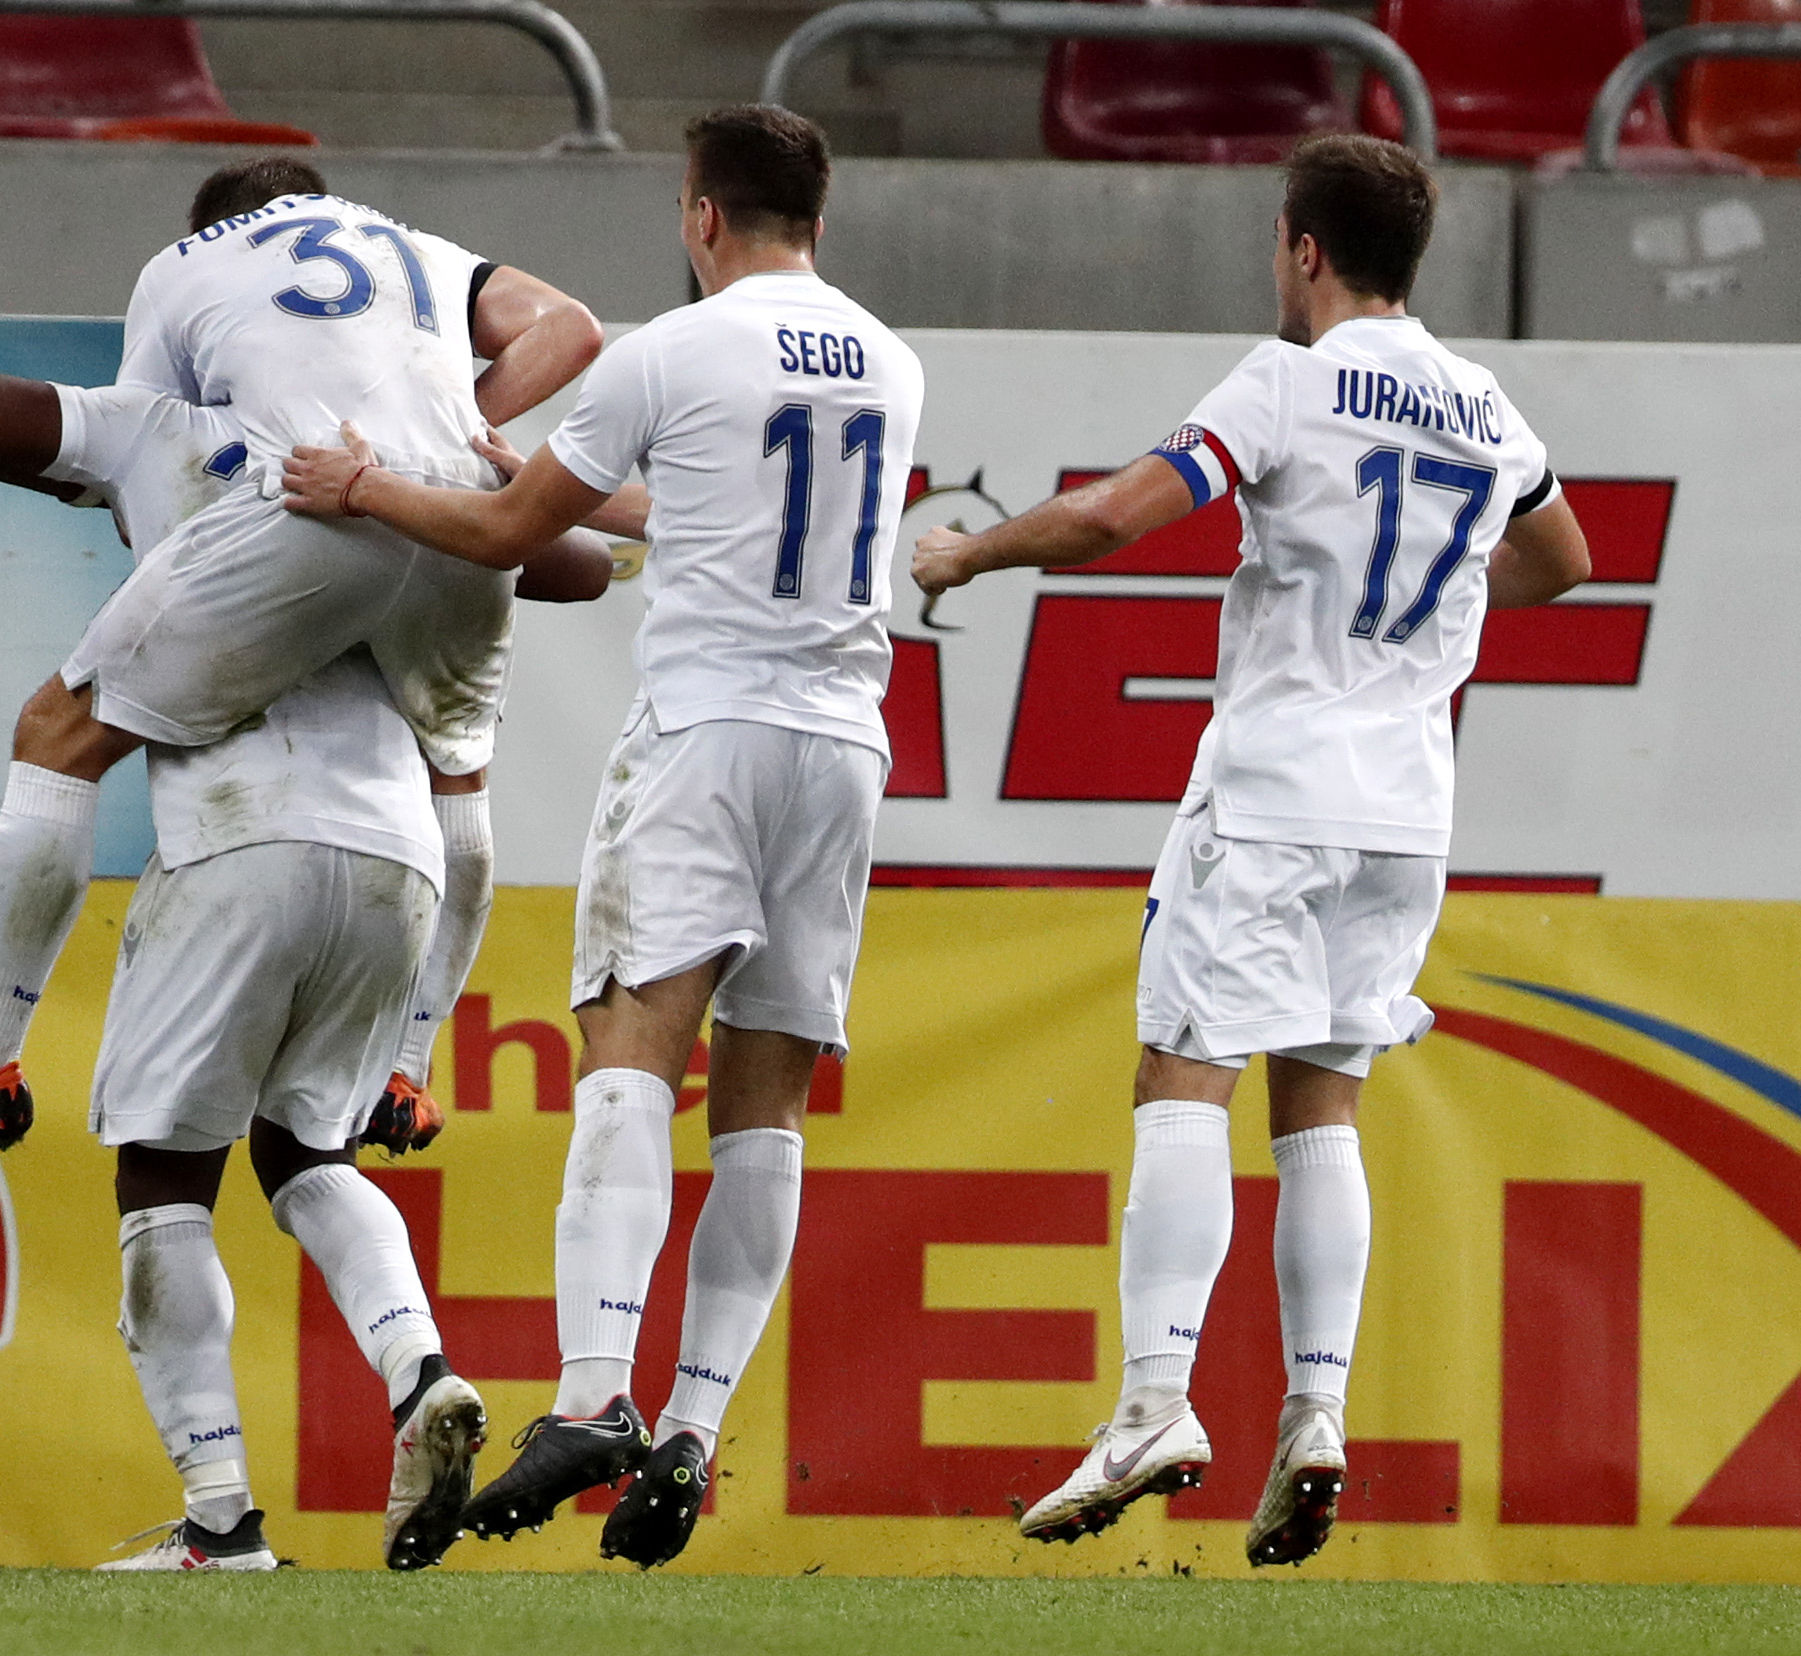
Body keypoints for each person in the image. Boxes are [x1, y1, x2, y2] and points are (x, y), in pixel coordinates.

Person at [912, 134, 1592, 1568]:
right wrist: (1433, 606)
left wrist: (965, 554)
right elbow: (1563, 561)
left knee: (1183, 1076)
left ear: (1301, 248)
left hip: (1277, 790)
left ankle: (1156, 1399)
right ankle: (1316, 1413)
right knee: (1322, 1106)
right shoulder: (1484, 405)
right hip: (1408, 808)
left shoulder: (1289, 378)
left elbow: (1112, 514)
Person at [284, 104, 925, 1569]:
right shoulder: (891, 360)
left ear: (702, 216)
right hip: (842, 747)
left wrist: (368, 485)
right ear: (813, 220)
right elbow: (715, 501)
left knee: (633, 1045)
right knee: (766, 1101)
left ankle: (590, 1398)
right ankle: (691, 1432)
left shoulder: (669, 350)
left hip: (707, 732)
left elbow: (516, 536)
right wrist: (530, 473)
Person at [0, 369, 611, 1572]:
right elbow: (580, 563)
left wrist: (128, 442)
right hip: (398, 852)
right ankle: (419, 1368)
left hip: (238, 834)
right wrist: (468, 471)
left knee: (166, 1176)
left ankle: (220, 1522)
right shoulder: (398, 448)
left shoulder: (179, 415)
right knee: (303, 1150)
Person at [0, 156, 603, 1158]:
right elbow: (573, 341)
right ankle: (409, 1072)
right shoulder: (416, 250)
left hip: (302, 518)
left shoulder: (185, 264)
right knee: (459, 772)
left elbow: (142, 433)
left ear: (215, 227)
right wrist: (458, 436)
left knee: (57, 734)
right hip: (458, 502)